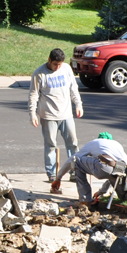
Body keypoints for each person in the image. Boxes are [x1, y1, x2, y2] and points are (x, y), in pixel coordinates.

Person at [29, 47, 83, 194]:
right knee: (50, 145)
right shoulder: (39, 73)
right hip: (48, 116)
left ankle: (74, 171)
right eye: (55, 65)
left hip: (66, 114)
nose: (58, 67)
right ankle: (52, 174)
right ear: (49, 60)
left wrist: (78, 104)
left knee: (73, 144)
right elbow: (33, 95)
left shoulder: (66, 69)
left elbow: (74, 88)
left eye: (59, 64)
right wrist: (32, 114)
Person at [53, 132, 127, 206]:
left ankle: (85, 201)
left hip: (104, 165)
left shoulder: (95, 142)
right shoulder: (117, 145)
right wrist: (101, 192)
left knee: (76, 161)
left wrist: (58, 178)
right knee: (124, 196)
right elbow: (113, 174)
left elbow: (71, 159)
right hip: (121, 169)